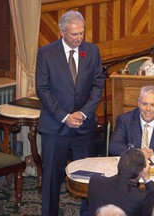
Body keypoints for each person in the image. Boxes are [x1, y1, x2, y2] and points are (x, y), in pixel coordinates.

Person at [35, 11, 105, 215]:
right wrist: (65, 116)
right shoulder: (46, 53)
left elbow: (98, 83)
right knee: (52, 179)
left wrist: (83, 114)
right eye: (75, 34)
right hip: (55, 127)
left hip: (84, 126)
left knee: (87, 179)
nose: (80, 38)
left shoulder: (91, 51)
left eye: (82, 33)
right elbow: (42, 88)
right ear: (62, 31)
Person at [109, 85, 154, 159]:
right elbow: (114, 146)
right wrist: (137, 153)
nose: (148, 109)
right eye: (144, 104)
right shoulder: (125, 120)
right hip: (131, 169)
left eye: (153, 105)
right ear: (138, 103)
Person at [87, 148, 154, 216]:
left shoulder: (95, 182)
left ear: (119, 165)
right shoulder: (142, 197)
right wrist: (147, 179)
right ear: (141, 173)